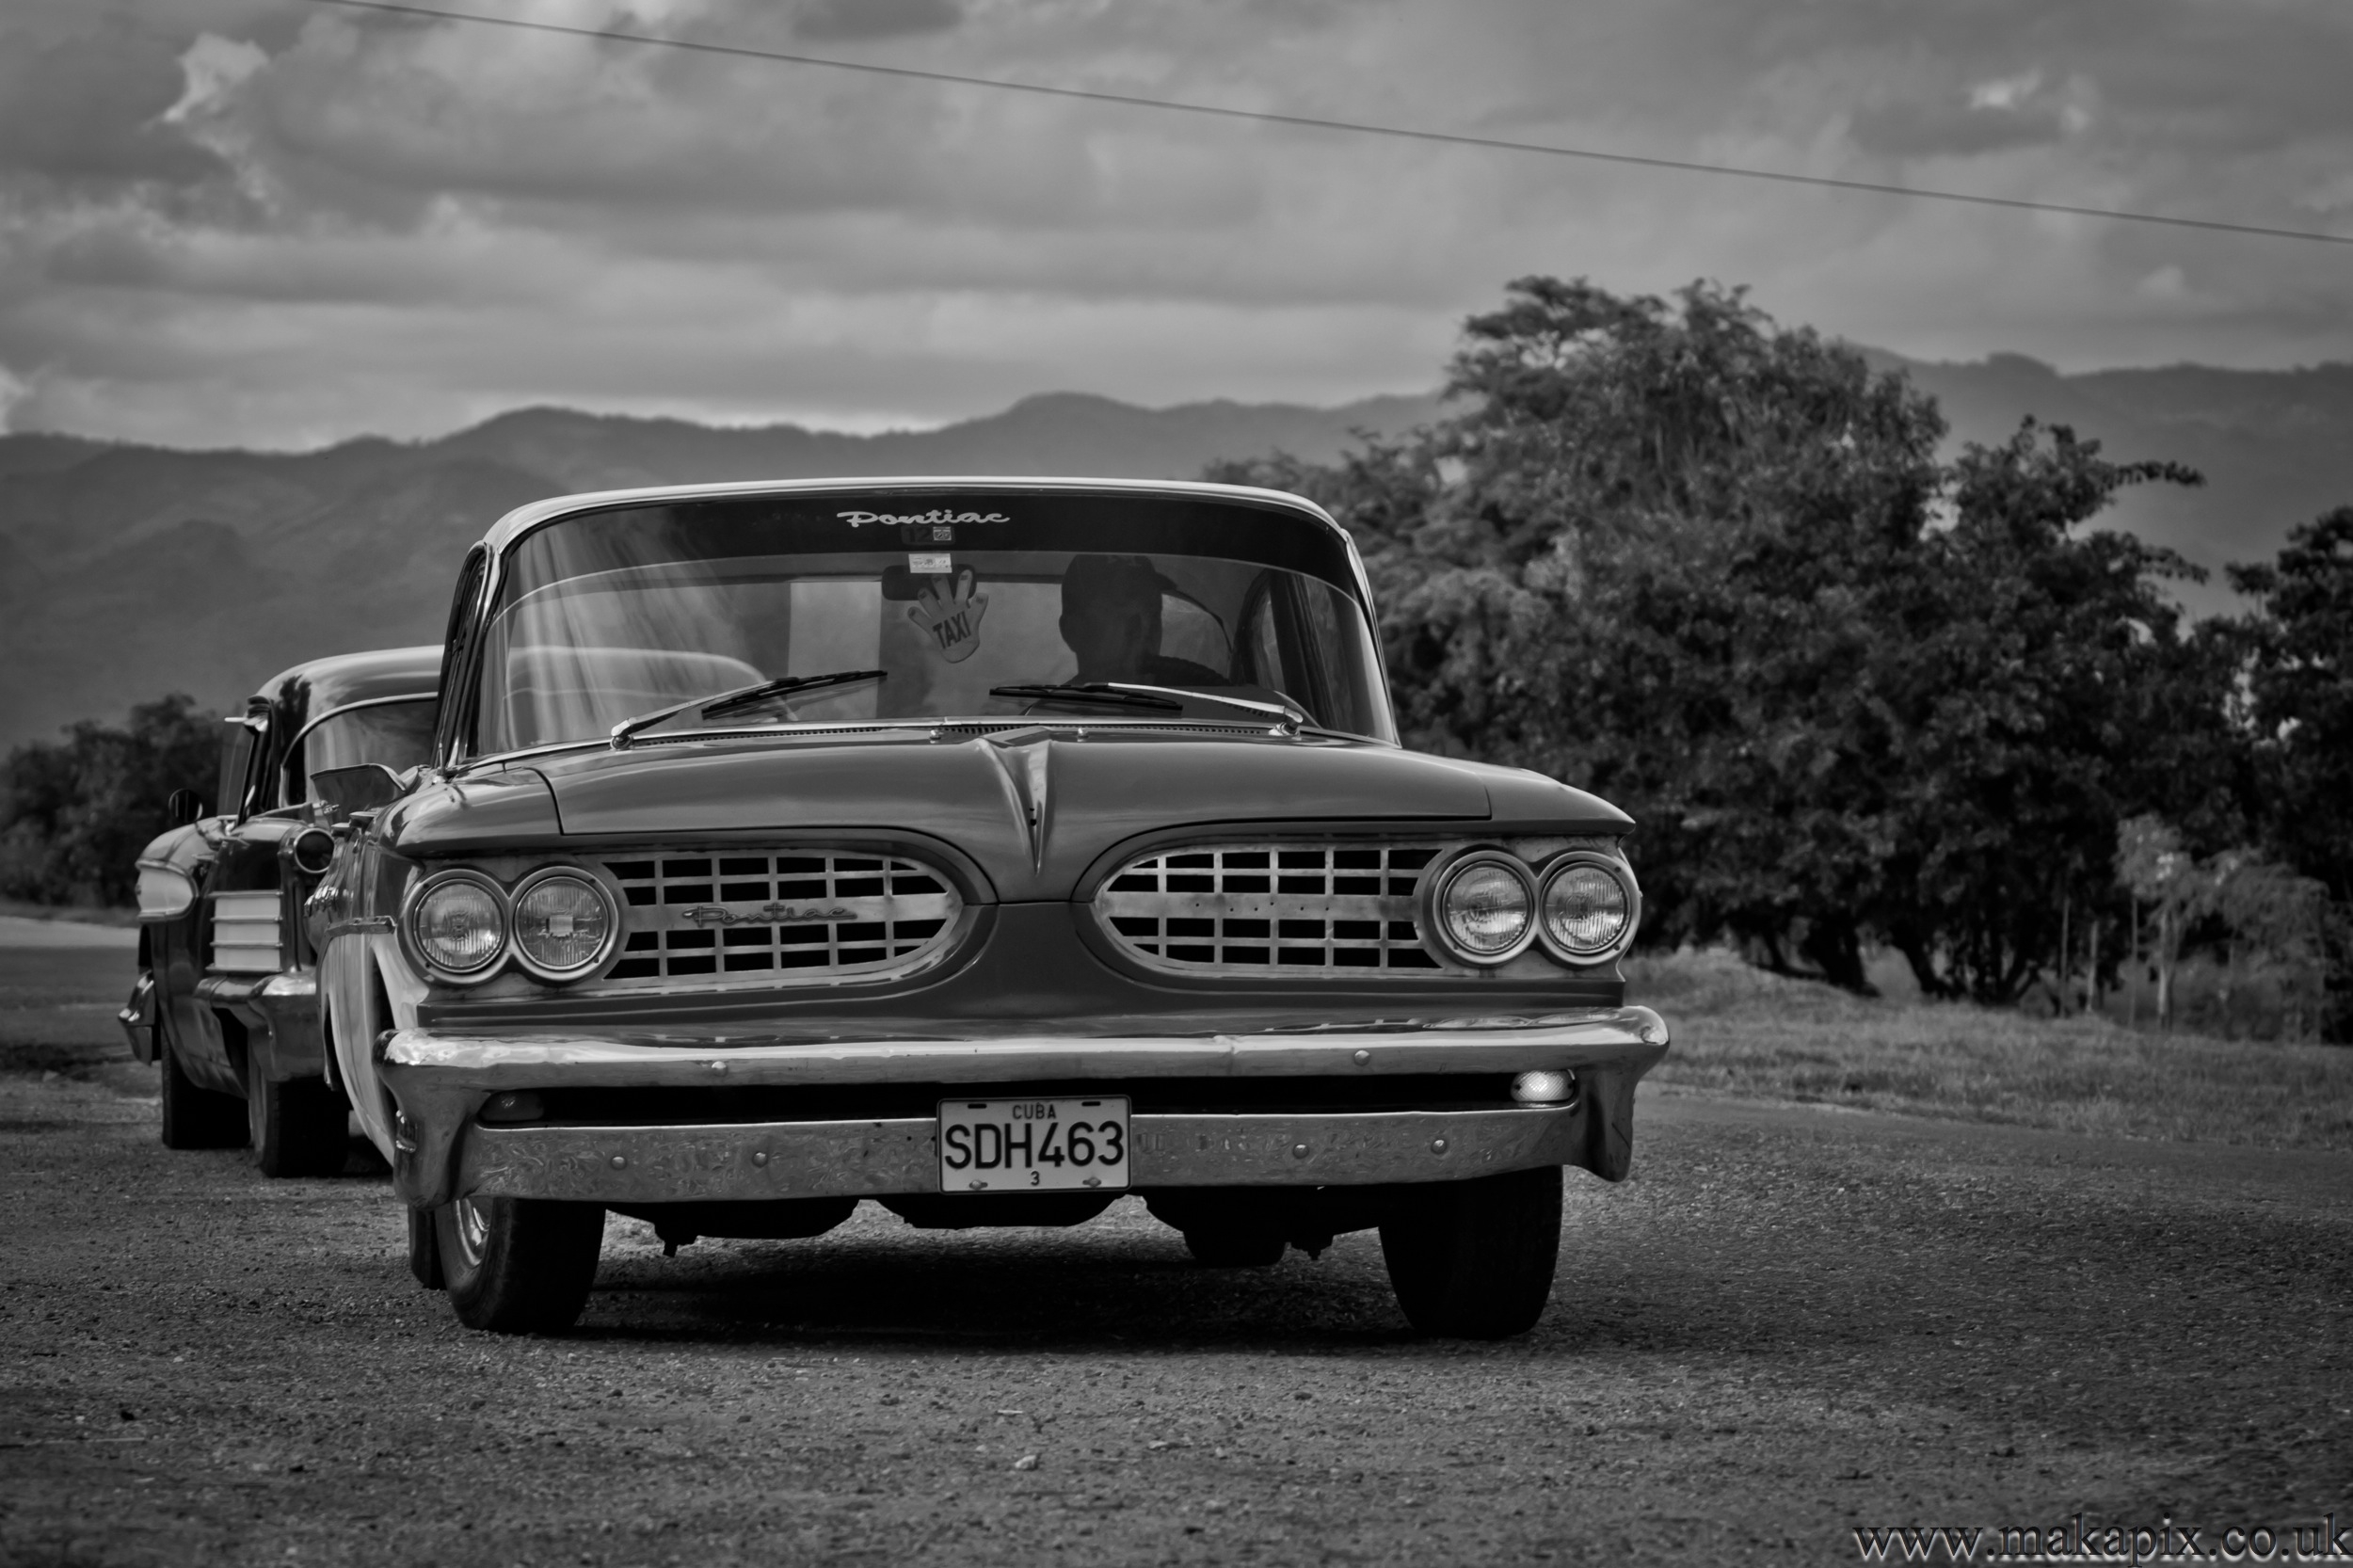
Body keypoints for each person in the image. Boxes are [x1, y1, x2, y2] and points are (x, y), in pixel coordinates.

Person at [1058, 553, 1226, 687]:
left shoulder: (1201, 707)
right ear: (1072, 630)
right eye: (1122, 610)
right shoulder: (1046, 717)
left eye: (1153, 614)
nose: (1144, 629)